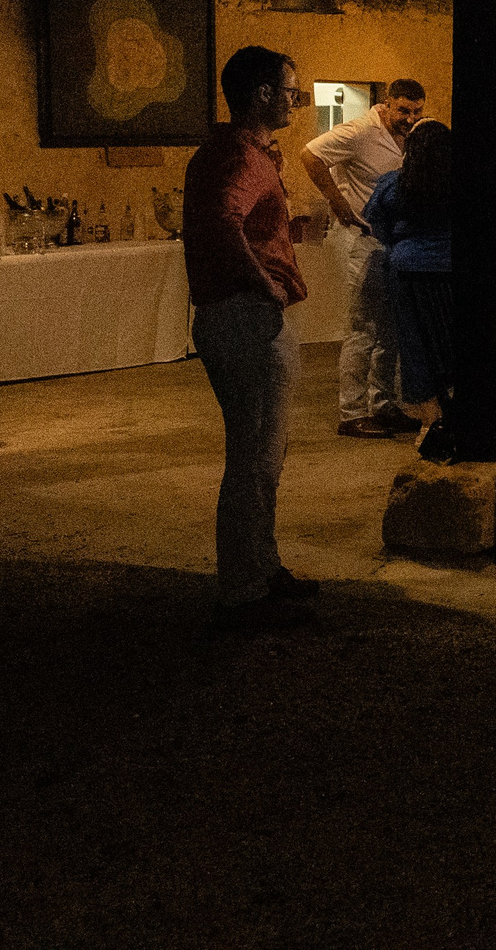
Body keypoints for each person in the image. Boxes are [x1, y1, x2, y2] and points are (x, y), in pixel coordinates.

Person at [182, 46, 317, 631]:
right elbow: (221, 223)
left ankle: (262, 566)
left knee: (264, 451)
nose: (295, 100)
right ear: (262, 94)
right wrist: (262, 282)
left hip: (239, 311)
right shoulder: (239, 154)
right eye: (290, 91)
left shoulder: (237, 152)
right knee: (255, 454)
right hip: (244, 317)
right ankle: (243, 583)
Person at [302, 78, 425, 439]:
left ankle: (382, 403)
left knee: (391, 328)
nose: (409, 117)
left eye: (416, 111)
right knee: (363, 327)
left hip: (395, 242)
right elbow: (310, 154)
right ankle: (351, 411)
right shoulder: (358, 131)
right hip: (363, 239)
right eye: (403, 110)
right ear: (387, 104)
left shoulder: (413, 136)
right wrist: (336, 201)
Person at [362, 120, 454, 451]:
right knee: (454, 340)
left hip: (407, 271)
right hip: (452, 270)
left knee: (415, 344)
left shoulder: (394, 184)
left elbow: (374, 224)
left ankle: (430, 421)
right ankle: (457, 411)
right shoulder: (462, 183)